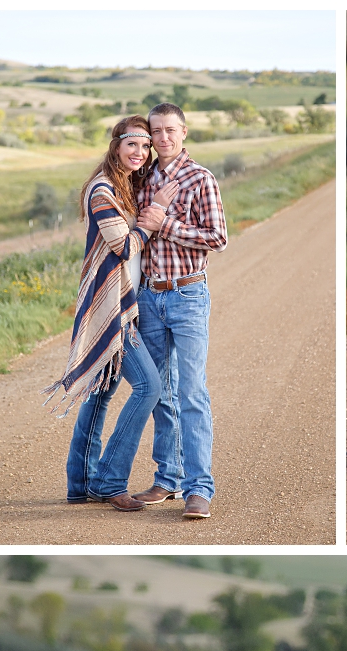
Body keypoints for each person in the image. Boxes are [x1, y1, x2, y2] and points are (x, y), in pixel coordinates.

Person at [43, 116, 177, 512]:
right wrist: (155, 217)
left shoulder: (123, 186)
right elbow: (123, 246)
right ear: (116, 145)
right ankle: (109, 480)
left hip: (123, 302)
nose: (139, 152)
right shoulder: (102, 190)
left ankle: (79, 482)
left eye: (145, 146)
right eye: (132, 144)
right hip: (112, 308)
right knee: (149, 388)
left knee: (101, 394)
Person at [127, 103, 227, 521]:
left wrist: (165, 223)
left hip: (188, 296)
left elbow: (218, 238)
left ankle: (198, 488)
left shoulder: (200, 178)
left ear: (184, 132)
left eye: (170, 130)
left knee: (191, 392)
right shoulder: (141, 180)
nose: (163, 138)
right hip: (150, 297)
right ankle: (167, 479)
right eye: (156, 132)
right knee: (159, 394)